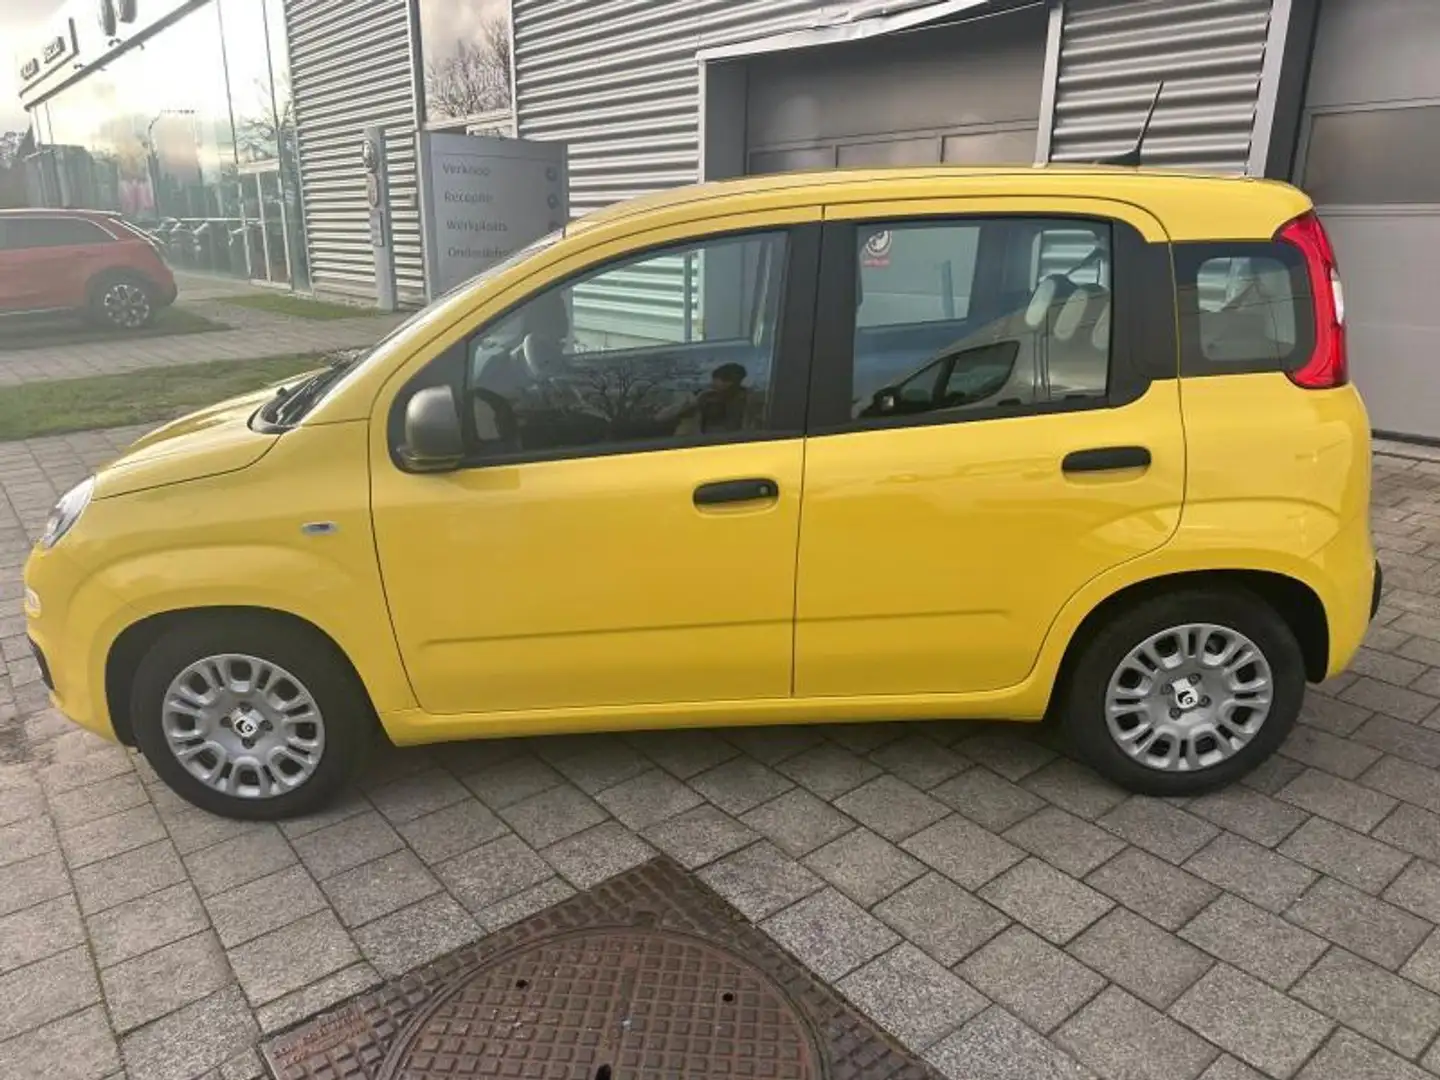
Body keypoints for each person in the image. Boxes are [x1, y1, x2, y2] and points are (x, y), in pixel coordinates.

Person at [671, 362, 750, 435]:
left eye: (716, 380)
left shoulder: (749, 400)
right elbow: (674, 415)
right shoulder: (706, 397)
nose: (712, 384)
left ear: (729, 382)